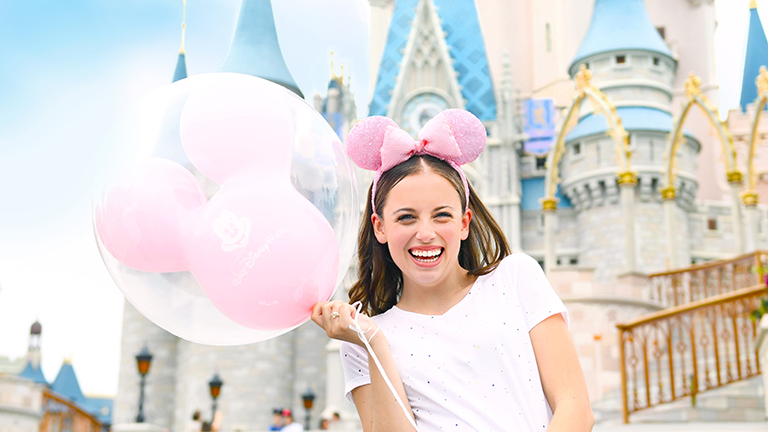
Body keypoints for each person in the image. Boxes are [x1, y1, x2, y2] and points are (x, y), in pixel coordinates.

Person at [311, 110, 593, 431]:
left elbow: (575, 408)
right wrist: (374, 343)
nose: (426, 232)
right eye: (406, 217)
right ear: (380, 227)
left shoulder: (516, 278)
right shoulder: (361, 339)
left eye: (442, 215)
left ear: (464, 222)